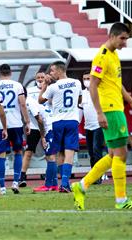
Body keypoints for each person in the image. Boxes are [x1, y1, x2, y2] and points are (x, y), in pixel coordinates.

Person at [72, 22, 132, 210]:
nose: (124, 43)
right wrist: (99, 113)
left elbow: (117, 84)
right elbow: (92, 85)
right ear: (112, 36)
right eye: (122, 38)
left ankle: (81, 186)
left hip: (117, 107)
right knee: (121, 154)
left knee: (114, 153)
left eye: (127, 39)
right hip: (110, 109)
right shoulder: (102, 57)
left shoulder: (114, 55)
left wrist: (131, 101)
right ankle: (121, 200)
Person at [39, 61, 82, 193]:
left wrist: (45, 85)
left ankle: (62, 183)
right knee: (69, 152)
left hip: (57, 122)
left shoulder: (54, 87)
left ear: (59, 71)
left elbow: (40, 100)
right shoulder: (77, 82)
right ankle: (65, 183)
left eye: (52, 71)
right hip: (72, 121)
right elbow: (79, 101)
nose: (50, 73)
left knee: (60, 153)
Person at [0, 64, 30, 194]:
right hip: (16, 124)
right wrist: (27, 121)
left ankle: (2, 187)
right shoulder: (17, 85)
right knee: (18, 152)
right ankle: (15, 182)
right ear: (10, 73)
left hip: (1, 125)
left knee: (1, 155)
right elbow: (23, 104)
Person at [32, 73, 59, 192]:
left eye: (44, 79)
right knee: (52, 156)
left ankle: (49, 185)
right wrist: (42, 136)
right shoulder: (36, 99)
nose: (41, 81)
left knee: (51, 156)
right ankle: (54, 184)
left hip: (52, 128)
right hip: (50, 129)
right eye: (39, 79)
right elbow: (39, 120)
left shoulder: (51, 94)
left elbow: (41, 120)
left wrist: (46, 86)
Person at [80, 72, 105, 184]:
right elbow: (80, 109)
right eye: (84, 78)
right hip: (88, 126)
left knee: (97, 150)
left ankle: (98, 176)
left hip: (98, 125)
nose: (86, 80)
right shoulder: (82, 93)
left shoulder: (100, 91)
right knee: (91, 152)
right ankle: (94, 175)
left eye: (88, 78)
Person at [19, 86, 46, 188]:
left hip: (44, 127)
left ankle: (53, 176)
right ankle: (22, 177)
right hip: (34, 128)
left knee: (49, 152)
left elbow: (40, 120)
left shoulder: (29, 102)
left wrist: (43, 136)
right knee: (29, 151)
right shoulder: (21, 102)